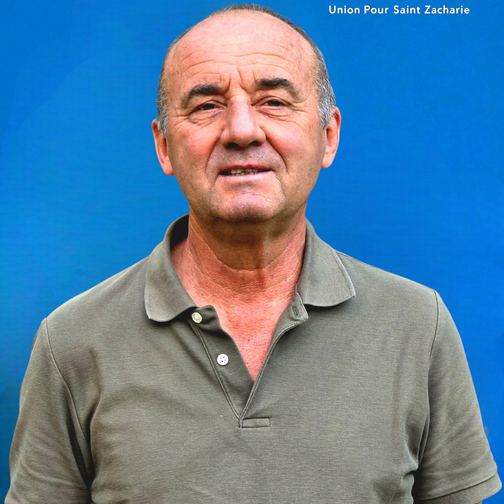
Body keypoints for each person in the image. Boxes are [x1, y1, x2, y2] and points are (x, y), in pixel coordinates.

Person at [6, 5, 501, 504]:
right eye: (207, 106)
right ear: (164, 146)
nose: (242, 130)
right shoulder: (71, 342)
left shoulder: (418, 325)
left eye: (274, 102)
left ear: (328, 136)